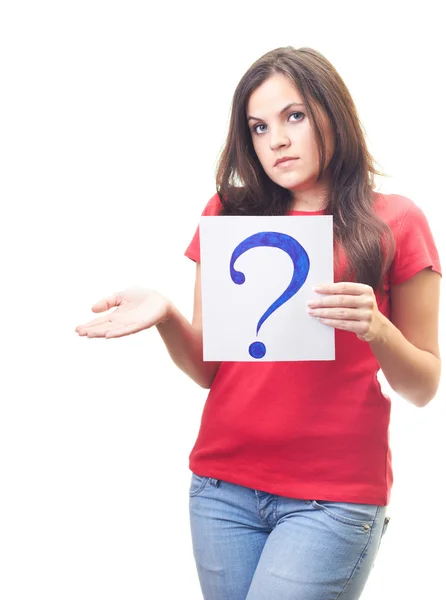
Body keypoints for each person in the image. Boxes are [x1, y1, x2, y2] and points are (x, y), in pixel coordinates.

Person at [75, 46, 442, 599]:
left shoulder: (395, 220)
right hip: (221, 488)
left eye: (294, 116)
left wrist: (377, 328)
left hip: (333, 497)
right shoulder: (229, 214)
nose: (277, 139)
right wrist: (168, 315)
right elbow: (209, 369)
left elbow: (424, 385)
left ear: (331, 112)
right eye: (258, 126)